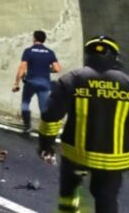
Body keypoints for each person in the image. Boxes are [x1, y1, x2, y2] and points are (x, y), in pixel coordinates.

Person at [38, 35, 129, 213]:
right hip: (113, 161)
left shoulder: (72, 79)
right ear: (116, 58)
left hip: (76, 155)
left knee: (68, 192)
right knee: (106, 199)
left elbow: (51, 116)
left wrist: (46, 146)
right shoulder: (126, 83)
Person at [13, 30, 62, 133]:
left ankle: (27, 126)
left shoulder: (28, 51)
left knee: (25, 103)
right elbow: (57, 69)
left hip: (31, 82)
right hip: (44, 83)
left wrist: (16, 83)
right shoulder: (49, 52)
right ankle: (47, 129)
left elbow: (22, 68)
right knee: (44, 108)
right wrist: (46, 69)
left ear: (34, 38)